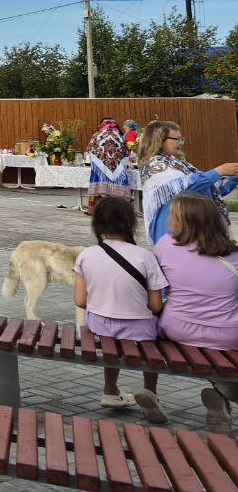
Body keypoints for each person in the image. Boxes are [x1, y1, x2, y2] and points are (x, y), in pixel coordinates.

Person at [73, 197, 167, 421]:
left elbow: (80, 301)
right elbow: (155, 305)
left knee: (111, 343)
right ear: (132, 224)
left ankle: (110, 389)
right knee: (152, 341)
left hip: (100, 324)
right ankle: (150, 391)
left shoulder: (86, 255)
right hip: (139, 329)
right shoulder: (146, 257)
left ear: (97, 224)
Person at [154, 193, 238, 432]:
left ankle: (222, 393)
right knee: (216, 350)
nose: (169, 220)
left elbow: (154, 287)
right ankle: (224, 389)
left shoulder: (165, 246)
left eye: (174, 216)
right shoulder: (233, 254)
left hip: (178, 329)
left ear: (186, 222)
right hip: (228, 335)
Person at [138, 120, 238, 245]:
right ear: (160, 140)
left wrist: (234, 177)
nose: (181, 143)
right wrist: (218, 171)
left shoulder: (178, 164)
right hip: (173, 233)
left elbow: (210, 189)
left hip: (191, 230)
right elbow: (186, 190)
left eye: (182, 139)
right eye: (177, 139)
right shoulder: (154, 165)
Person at [86, 117, 131, 213]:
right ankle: (117, 210)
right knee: (115, 192)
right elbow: (126, 152)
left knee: (100, 189)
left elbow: (89, 149)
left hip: (101, 168)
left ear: (101, 125)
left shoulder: (97, 135)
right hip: (117, 169)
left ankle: (96, 209)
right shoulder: (120, 136)